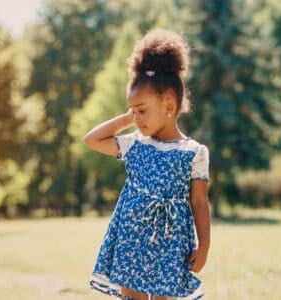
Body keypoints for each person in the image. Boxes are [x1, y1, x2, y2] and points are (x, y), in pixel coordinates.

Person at [85, 29, 210, 300]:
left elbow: (199, 202)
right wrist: (127, 118)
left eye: (141, 110)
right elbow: (92, 139)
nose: (136, 117)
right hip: (131, 235)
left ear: (168, 105)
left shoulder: (194, 152)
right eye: (132, 110)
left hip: (171, 240)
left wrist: (205, 247)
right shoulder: (134, 144)